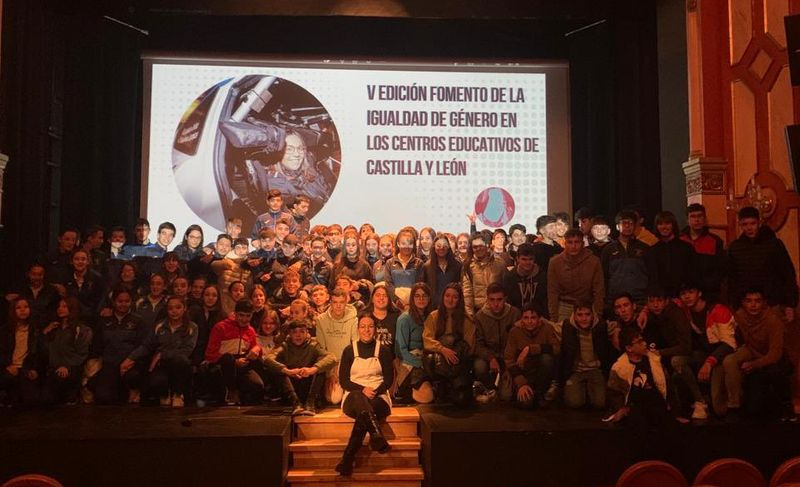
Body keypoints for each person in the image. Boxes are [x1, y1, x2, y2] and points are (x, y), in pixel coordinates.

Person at [335, 313, 395, 476]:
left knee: (364, 413)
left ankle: (347, 459)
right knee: (358, 398)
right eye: (363, 326)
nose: (366, 330)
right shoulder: (348, 350)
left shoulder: (383, 350)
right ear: (358, 329)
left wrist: (374, 392)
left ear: (375, 329)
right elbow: (344, 381)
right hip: (353, 397)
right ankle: (376, 434)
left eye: (370, 326)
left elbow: (389, 380)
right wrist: (362, 390)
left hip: (379, 397)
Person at [721, 288, 792, 418]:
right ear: (743, 303)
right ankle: (734, 405)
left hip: (773, 360)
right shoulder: (740, 316)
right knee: (729, 360)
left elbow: (775, 353)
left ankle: (786, 406)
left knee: (775, 374)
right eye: (748, 301)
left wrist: (754, 364)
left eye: (757, 301)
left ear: (764, 303)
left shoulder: (773, 321)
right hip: (752, 352)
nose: (753, 305)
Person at [122, 296, 197, 407]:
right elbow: (147, 345)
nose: (174, 311)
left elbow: (187, 350)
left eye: (178, 307)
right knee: (156, 383)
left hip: (179, 365)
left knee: (180, 360)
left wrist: (162, 354)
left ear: (184, 308)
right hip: (161, 365)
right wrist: (130, 358)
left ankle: (178, 394)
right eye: (170, 308)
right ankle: (164, 393)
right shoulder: (160, 325)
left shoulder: (192, 327)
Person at [643, 287, 706, 419]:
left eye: (659, 301)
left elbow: (686, 347)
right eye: (652, 301)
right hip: (675, 353)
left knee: (676, 361)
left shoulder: (676, 314)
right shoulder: (655, 315)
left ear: (666, 301)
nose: (655, 305)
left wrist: (659, 352)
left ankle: (700, 401)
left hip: (697, 352)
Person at [675, 282, 736, 416]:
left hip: (722, 355)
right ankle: (700, 400)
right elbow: (660, 303)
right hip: (704, 354)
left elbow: (730, 344)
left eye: (691, 292)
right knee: (677, 361)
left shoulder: (718, 311)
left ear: (699, 293)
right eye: (683, 294)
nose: (687, 297)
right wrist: (644, 311)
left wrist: (709, 362)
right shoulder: (685, 310)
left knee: (719, 408)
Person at [726, 206, 798, 321]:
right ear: (740, 225)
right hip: (745, 305)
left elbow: (787, 274)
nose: (749, 228)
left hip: (772, 303)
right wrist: (733, 304)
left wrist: (790, 304)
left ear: (759, 223)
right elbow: (731, 278)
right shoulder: (735, 248)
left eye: (752, 223)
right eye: (745, 224)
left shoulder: (774, 245)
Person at [263, 320, 336, 415]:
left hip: (308, 384)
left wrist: (312, 369)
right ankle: (296, 403)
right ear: (290, 334)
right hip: (292, 386)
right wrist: (287, 371)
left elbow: (332, 358)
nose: (298, 335)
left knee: (320, 370)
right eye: (294, 332)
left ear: (307, 333)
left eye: (302, 331)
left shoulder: (313, 345)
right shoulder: (285, 346)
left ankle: (310, 404)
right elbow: (267, 359)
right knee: (279, 371)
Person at [606, 327, 673, 432]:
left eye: (643, 340)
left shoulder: (654, 361)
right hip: (634, 406)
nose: (645, 343)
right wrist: (621, 408)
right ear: (629, 348)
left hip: (655, 402)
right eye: (639, 342)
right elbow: (614, 392)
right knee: (638, 421)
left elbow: (667, 383)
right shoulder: (619, 367)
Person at [90, 289, 148, 405]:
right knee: (103, 398)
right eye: (120, 301)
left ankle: (133, 390)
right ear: (114, 302)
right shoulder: (104, 321)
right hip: (109, 364)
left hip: (130, 364)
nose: (123, 304)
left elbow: (142, 346)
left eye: (127, 301)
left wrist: (130, 361)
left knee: (133, 377)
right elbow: (97, 345)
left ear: (131, 302)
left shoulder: (138, 321)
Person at [423, 283, 475, 406]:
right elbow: (427, 339)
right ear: (443, 297)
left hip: (459, 361)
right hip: (439, 361)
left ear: (459, 300)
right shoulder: (434, 316)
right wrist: (442, 349)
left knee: (461, 400)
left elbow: (470, 345)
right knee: (430, 356)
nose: (450, 299)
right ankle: (441, 383)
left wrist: (453, 352)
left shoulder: (466, 320)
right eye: (447, 295)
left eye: (455, 297)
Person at [205, 300, 264, 405]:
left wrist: (256, 349)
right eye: (241, 315)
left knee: (258, 385)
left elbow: (257, 346)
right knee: (228, 358)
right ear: (235, 313)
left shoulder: (250, 330)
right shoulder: (221, 327)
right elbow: (210, 353)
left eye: (248, 316)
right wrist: (235, 362)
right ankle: (231, 391)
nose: (244, 319)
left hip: (241, 364)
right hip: (222, 364)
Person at [504, 303, 559, 408]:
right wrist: (521, 384)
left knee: (547, 359)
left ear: (539, 319)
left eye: (533, 317)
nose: (529, 321)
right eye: (526, 318)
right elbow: (509, 360)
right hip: (522, 372)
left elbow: (557, 348)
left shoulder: (547, 328)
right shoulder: (515, 331)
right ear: (521, 319)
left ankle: (540, 393)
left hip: (540, 372)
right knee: (523, 402)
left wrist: (530, 349)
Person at [560, 302, 614, 409]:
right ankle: (582, 389)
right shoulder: (567, 326)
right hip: (576, 370)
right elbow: (549, 326)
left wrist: (617, 330)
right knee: (574, 403)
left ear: (592, 315)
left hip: (595, 370)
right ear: (574, 315)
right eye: (580, 315)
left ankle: (590, 388)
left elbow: (616, 326)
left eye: (587, 314)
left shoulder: (602, 326)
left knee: (601, 403)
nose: (584, 318)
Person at [264, 131, 332, 212]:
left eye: (300, 148)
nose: (297, 154)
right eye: (289, 149)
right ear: (277, 152)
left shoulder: (310, 171)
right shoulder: (276, 184)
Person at [473, 283, 520, 400]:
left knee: (506, 396)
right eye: (492, 299)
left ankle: (506, 384)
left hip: (509, 357)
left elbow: (519, 340)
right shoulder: (479, 317)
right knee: (479, 366)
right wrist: (491, 358)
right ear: (487, 299)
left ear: (505, 299)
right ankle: (488, 387)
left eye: (499, 299)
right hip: (490, 356)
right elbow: (478, 344)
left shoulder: (514, 313)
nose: (496, 304)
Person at [42, 297, 92, 405]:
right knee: (46, 399)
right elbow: (45, 350)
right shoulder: (54, 328)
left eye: (64, 306)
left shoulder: (81, 329)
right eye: (59, 306)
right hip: (54, 368)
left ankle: (72, 393)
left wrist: (67, 366)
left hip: (72, 367)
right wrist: (45, 332)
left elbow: (82, 353)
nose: (60, 309)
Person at [547, 228, 604, 322]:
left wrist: (598, 314)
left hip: (587, 305)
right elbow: (552, 292)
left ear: (582, 243)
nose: (573, 246)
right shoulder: (555, 262)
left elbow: (598, 291)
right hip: (565, 305)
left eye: (577, 242)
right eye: (570, 242)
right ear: (565, 244)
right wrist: (554, 317)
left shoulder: (594, 261)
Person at [315, 288, 359, 404]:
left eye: (341, 302)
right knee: (334, 399)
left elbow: (355, 345)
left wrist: (343, 370)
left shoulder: (353, 320)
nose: (338, 306)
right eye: (335, 302)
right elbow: (321, 349)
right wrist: (331, 371)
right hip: (330, 362)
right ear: (330, 302)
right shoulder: (321, 320)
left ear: (346, 302)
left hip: (347, 362)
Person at [395, 282, 435, 404]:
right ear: (412, 299)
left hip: (428, 359)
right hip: (410, 362)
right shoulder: (405, 319)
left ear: (429, 298)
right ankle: (405, 391)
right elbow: (400, 351)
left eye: (424, 296)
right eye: (417, 296)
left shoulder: (432, 316)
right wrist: (420, 363)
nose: (421, 299)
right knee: (428, 396)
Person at [601, 210, 649, 307]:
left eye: (631, 223)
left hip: (640, 300)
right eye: (624, 223)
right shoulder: (608, 250)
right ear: (617, 226)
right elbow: (604, 277)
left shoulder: (644, 248)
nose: (627, 226)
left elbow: (651, 275)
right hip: (615, 301)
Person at [0, 298, 43, 405]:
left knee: (32, 400)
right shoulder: (5, 330)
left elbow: (39, 353)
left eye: (26, 307)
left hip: (26, 368)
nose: (23, 310)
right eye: (18, 308)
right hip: (9, 367)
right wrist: (7, 366)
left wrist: (34, 368)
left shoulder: (35, 330)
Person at [679, 203, 726, 302]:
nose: (697, 220)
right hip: (684, 293)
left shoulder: (715, 241)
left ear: (705, 219)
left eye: (700, 216)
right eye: (693, 216)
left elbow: (720, 270)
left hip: (709, 293)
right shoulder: (680, 240)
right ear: (687, 220)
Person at [644, 211, 696, 298]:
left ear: (673, 225)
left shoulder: (686, 248)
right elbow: (652, 278)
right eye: (660, 224)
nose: (664, 227)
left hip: (683, 296)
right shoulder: (652, 251)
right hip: (661, 299)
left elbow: (692, 273)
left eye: (667, 223)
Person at [462, 232, 507, 317]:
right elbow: (467, 292)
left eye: (481, 246)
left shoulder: (499, 263)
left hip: (498, 309)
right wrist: (469, 313)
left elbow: (506, 287)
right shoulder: (468, 266)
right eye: (475, 247)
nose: (478, 249)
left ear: (486, 245)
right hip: (478, 311)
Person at [5, 263, 60, 328]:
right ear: (29, 274)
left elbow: (56, 312)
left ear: (44, 275)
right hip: (25, 329)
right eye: (34, 274)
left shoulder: (52, 291)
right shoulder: (22, 291)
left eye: (40, 274)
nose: (37, 277)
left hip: (46, 330)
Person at [502, 242, 547, 315]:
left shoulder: (542, 276)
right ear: (517, 259)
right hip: (516, 316)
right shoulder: (510, 276)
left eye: (530, 259)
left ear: (534, 259)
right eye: (524, 259)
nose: (527, 262)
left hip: (537, 316)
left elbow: (544, 300)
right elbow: (508, 302)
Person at [383, 229, 425, 308]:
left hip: (413, 305)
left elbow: (419, 286)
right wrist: (397, 301)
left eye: (410, 243)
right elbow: (388, 284)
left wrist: (411, 302)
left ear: (414, 245)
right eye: (403, 243)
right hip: (393, 305)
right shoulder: (390, 263)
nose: (406, 246)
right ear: (398, 244)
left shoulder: (419, 263)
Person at [422, 234, 462, 308]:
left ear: (449, 247)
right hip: (433, 307)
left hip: (453, 305)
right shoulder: (427, 266)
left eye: (444, 246)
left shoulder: (457, 265)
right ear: (434, 247)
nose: (441, 248)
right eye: (438, 246)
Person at [364, 284, 400, 357]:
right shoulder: (364, 317)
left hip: (391, 360)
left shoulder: (397, 317)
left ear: (389, 299)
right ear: (372, 299)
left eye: (385, 296)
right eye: (378, 295)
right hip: (369, 360)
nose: (381, 298)